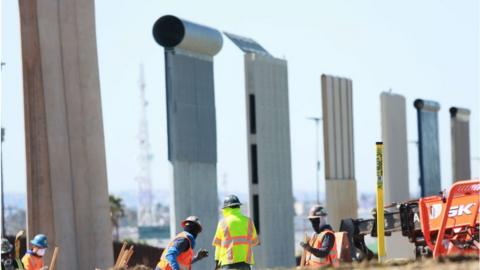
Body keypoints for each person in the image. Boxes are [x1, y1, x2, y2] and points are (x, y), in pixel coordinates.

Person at [212, 195, 259, 270]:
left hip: (228, 262)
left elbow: (218, 245)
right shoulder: (249, 221)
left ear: (227, 208)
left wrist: (217, 261)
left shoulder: (222, 223)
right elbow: (255, 242)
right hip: (245, 263)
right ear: (238, 207)